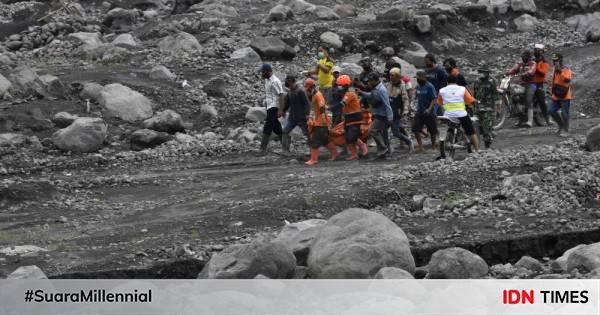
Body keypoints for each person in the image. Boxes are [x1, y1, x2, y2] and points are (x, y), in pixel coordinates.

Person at [433, 75, 480, 157]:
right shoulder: (462, 89)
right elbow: (469, 100)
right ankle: (477, 150)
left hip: (447, 115)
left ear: (447, 82)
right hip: (461, 114)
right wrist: (476, 101)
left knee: (446, 127)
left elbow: (439, 103)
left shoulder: (442, 90)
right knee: (471, 131)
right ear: (456, 81)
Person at [304, 79, 339, 165]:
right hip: (320, 121)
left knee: (315, 140)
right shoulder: (314, 94)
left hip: (321, 122)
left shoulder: (318, 95)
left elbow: (322, 107)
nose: (306, 90)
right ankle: (335, 154)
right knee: (325, 140)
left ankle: (313, 159)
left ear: (311, 87)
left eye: (307, 88)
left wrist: (323, 120)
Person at [358, 72, 394, 158]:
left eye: (370, 81)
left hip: (382, 116)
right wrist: (362, 92)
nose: (368, 83)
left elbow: (387, 104)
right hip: (376, 114)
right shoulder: (375, 88)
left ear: (375, 81)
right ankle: (384, 151)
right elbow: (371, 95)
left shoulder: (382, 90)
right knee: (381, 134)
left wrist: (390, 117)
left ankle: (383, 148)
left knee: (373, 131)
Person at [337, 74, 369, 160]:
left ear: (346, 85)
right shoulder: (345, 93)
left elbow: (341, 104)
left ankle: (363, 146)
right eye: (338, 85)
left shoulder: (350, 94)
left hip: (355, 117)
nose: (339, 87)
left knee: (352, 136)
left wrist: (329, 107)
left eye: (341, 86)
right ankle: (354, 154)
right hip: (348, 117)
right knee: (348, 137)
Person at [505, 50, 537, 128]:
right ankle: (521, 118)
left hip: (531, 84)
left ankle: (530, 121)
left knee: (528, 100)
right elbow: (514, 70)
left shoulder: (533, 64)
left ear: (528, 57)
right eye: (522, 56)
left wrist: (527, 73)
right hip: (521, 84)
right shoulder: (520, 64)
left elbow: (532, 71)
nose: (523, 58)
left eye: (524, 56)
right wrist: (507, 72)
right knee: (514, 98)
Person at [386, 67, 414, 152]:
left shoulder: (402, 85)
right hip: (388, 110)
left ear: (398, 77)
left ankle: (409, 142)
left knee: (395, 132)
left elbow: (405, 99)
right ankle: (388, 148)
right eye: (390, 76)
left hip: (397, 110)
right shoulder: (388, 84)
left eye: (393, 76)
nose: (391, 78)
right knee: (383, 130)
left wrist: (405, 110)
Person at [280, 75, 310, 154]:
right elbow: (287, 103)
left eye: (288, 82)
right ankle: (285, 150)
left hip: (301, 117)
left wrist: (307, 114)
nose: (288, 85)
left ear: (292, 81)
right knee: (285, 131)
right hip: (292, 117)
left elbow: (307, 103)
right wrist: (283, 111)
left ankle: (312, 149)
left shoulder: (301, 91)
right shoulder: (289, 92)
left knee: (308, 133)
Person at [259, 64, 284, 153]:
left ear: (269, 71)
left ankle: (262, 148)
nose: (262, 74)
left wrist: (281, 110)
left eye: (263, 72)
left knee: (268, 126)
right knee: (276, 127)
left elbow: (281, 95)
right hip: (269, 106)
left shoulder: (275, 81)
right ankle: (285, 145)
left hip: (274, 106)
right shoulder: (267, 80)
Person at [473, 64, 498, 149]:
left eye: (482, 72)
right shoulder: (476, 81)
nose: (480, 74)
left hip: (488, 109)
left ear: (487, 73)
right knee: (475, 128)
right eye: (480, 72)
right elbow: (475, 95)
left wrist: (497, 110)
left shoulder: (492, 81)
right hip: (478, 108)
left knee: (486, 129)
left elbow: (496, 96)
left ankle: (487, 148)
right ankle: (477, 148)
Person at [412, 70, 438, 153]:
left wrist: (429, 109)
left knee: (432, 131)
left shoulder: (430, 86)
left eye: (419, 78)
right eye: (417, 78)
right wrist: (412, 105)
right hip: (419, 112)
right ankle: (420, 146)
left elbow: (434, 99)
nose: (417, 80)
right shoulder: (418, 87)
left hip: (429, 113)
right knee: (415, 129)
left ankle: (433, 147)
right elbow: (415, 97)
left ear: (423, 78)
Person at [548, 53, 573, 137]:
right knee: (551, 110)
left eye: (556, 61)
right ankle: (561, 125)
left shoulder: (566, 69)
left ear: (560, 60)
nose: (555, 62)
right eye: (554, 61)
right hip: (556, 95)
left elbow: (567, 80)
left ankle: (566, 130)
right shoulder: (555, 70)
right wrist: (551, 92)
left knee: (564, 114)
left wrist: (561, 71)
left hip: (565, 95)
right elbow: (554, 81)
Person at [533, 43, 552, 125]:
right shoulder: (532, 61)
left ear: (542, 52)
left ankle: (547, 119)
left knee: (541, 101)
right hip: (531, 82)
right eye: (535, 50)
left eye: (538, 50)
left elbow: (543, 73)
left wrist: (536, 66)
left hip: (540, 83)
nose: (536, 51)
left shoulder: (545, 62)